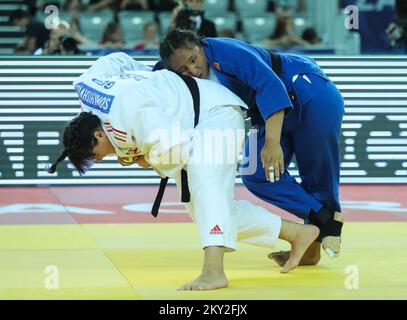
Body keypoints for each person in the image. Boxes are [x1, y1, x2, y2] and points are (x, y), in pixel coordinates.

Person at [48, 52, 319, 290]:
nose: (103, 159)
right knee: (200, 208)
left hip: (214, 113)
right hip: (187, 118)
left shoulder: (134, 113)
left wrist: (143, 159)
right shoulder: (86, 87)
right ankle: (297, 234)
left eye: (97, 155)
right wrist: (146, 77)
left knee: (206, 184)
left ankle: (214, 272)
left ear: (98, 134)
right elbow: (116, 59)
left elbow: (176, 149)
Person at [156, 28, 345, 266]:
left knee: (317, 172)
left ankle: (314, 247)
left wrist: (272, 143)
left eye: (194, 60)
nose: (192, 70)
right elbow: (150, 79)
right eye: (183, 69)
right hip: (264, 111)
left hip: (308, 90)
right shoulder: (169, 68)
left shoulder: (225, 51)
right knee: (256, 174)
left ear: (200, 45)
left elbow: (270, 85)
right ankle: (326, 221)